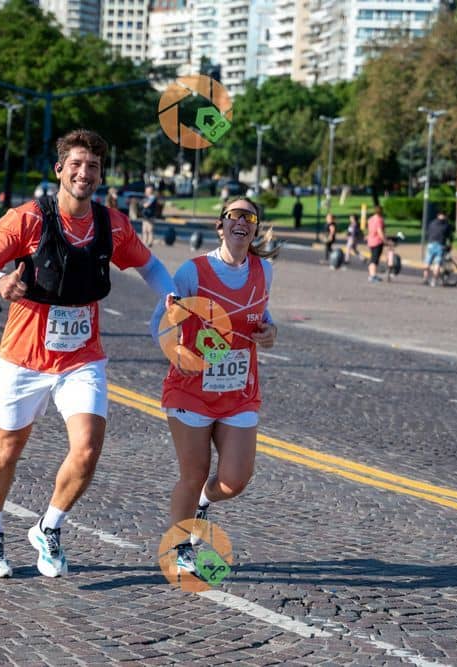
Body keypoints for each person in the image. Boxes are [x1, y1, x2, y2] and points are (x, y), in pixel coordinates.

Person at [0, 129, 175, 578]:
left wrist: (171, 297)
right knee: (8, 448)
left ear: (100, 174)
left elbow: (150, 265)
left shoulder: (113, 224)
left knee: (88, 448)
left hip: (82, 358)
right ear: (60, 169)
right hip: (24, 357)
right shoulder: (28, 219)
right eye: (76, 164)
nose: (84, 173)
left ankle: (49, 526)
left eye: (92, 166)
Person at [150, 196, 278, 577]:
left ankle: (205, 501)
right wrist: (176, 350)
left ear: (255, 229)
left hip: (239, 392)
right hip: (191, 389)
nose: (242, 222)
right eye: (233, 215)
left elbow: (262, 315)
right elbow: (159, 322)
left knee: (235, 480)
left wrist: (270, 331)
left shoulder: (264, 270)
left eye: (249, 217)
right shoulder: (194, 271)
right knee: (193, 473)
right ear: (220, 226)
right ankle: (180, 547)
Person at [423, 211, 454, 287]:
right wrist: (450, 244)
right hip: (440, 246)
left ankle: (425, 279)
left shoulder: (432, 223)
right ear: (445, 216)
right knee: (437, 264)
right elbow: (450, 237)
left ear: (438, 215)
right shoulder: (447, 225)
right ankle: (434, 281)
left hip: (430, 244)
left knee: (427, 262)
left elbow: (428, 233)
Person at [366, 205, 386, 283]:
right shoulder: (379, 220)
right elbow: (379, 231)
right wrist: (385, 240)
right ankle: (372, 276)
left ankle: (372, 274)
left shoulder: (370, 219)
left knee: (373, 258)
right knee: (374, 259)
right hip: (377, 241)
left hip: (371, 241)